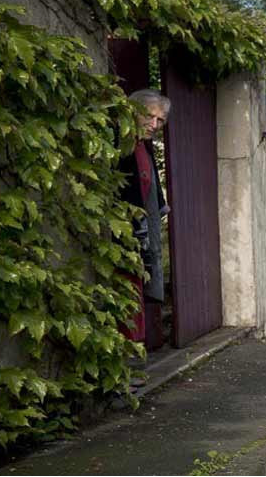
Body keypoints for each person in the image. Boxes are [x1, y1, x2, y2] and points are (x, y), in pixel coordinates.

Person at [119, 89, 171, 346]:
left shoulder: (142, 148)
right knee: (124, 305)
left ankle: (130, 367)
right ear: (133, 112)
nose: (154, 125)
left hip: (138, 245)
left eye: (160, 120)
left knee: (134, 303)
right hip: (122, 242)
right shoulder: (123, 147)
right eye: (149, 117)